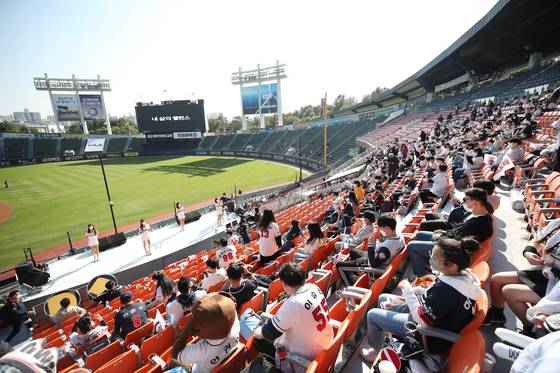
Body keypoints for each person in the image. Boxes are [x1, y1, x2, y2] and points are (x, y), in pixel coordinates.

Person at [360, 237, 482, 363]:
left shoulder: (447, 291)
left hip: (426, 334)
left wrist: (408, 290)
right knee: (383, 298)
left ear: (451, 265)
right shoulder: (461, 278)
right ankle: (386, 329)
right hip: (429, 316)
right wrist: (417, 291)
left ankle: (375, 351)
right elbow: (435, 298)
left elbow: (423, 319)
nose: (431, 259)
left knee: (372, 316)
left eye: (435, 257)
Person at [483, 219, 560, 335]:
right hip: (548, 274)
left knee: (509, 291)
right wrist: (528, 253)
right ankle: (497, 316)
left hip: (556, 289)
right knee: (497, 280)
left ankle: (531, 331)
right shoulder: (557, 223)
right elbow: (535, 240)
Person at [252, 263, 334, 370]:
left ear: (284, 283)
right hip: (327, 346)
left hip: (307, 359)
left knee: (258, 341)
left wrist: (258, 331)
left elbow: (269, 333)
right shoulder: (313, 286)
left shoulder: (293, 303)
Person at [408, 188, 494, 277]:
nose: (463, 202)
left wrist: (441, 237)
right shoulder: (476, 214)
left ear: (476, 203)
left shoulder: (479, 223)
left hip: (453, 250)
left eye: (465, 199)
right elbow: (459, 230)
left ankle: (421, 275)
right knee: (419, 235)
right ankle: (428, 262)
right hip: (451, 239)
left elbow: (460, 242)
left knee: (411, 246)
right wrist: (445, 232)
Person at [171, 293, 240, 373]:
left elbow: (175, 353)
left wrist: (186, 332)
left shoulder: (201, 352)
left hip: (198, 369)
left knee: (171, 364)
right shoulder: (235, 324)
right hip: (229, 363)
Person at [336, 214, 405, 286]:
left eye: (381, 228)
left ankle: (349, 286)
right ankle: (358, 276)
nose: (380, 230)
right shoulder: (400, 236)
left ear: (387, 228)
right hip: (378, 258)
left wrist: (370, 245)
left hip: (373, 265)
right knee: (352, 252)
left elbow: (373, 264)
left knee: (339, 265)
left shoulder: (386, 248)